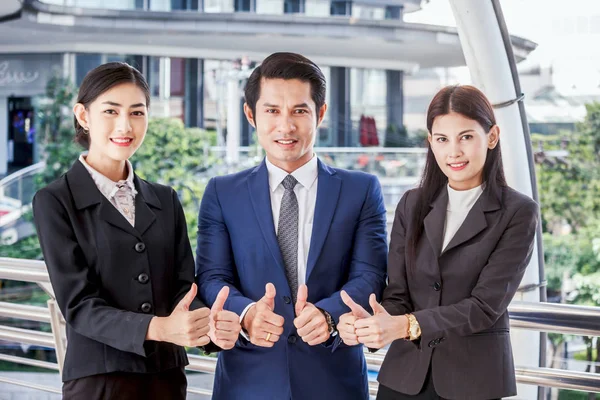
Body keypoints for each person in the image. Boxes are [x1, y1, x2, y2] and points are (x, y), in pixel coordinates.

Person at [32, 62, 241, 400]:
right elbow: (79, 305)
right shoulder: (55, 201)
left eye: (137, 112)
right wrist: (159, 328)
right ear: (83, 116)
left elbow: (183, 288)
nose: (125, 126)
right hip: (99, 381)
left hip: (166, 378)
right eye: (110, 112)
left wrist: (208, 324)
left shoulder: (164, 199)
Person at [195, 52, 388, 400]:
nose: (286, 127)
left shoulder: (361, 190)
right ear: (250, 115)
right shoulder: (222, 193)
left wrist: (329, 316)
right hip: (247, 382)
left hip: (333, 381)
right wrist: (246, 314)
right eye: (272, 111)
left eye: (299, 111)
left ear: (321, 114)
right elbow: (211, 277)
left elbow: (370, 276)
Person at [338, 85, 539, 400]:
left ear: (492, 136)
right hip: (404, 379)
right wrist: (375, 323)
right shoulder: (412, 204)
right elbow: (399, 295)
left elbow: (485, 307)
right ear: (430, 142)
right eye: (442, 140)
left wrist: (405, 326)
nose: (453, 152)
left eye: (466, 137)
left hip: (472, 383)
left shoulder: (518, 212)